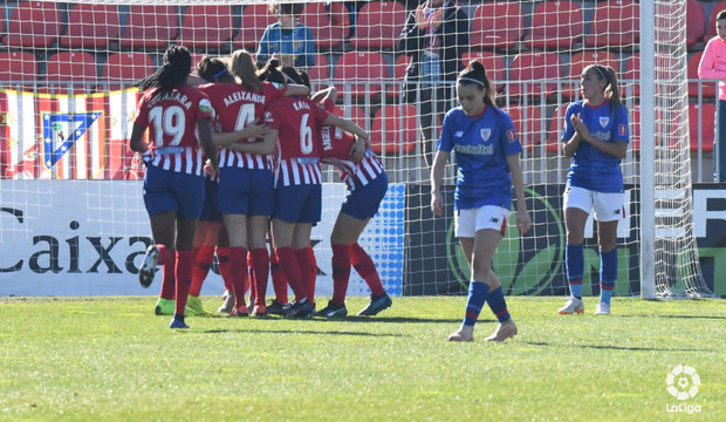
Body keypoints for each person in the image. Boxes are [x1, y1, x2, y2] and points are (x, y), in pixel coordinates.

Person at [196, 53, 309, 317]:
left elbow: (195, 85)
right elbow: (302, 88)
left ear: (231, 69)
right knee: (259, 241)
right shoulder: (266, 90)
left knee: (237, 239)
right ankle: (260, 302)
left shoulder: (217, 91)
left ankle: (240, 304)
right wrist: (272, 87)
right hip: (261, 173)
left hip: (232, 172)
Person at [430, 61, 531, 342]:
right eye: (460, 98)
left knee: (479, 266)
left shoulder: (500, 120)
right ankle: (506, 323)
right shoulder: (453, 118)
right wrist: (435, 191)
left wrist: (521, 208)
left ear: (484, 92)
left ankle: (467, 328)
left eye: (470, 98)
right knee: (481, 270)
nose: (465, 104)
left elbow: (515, 168)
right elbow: (440, 160)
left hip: (495, 199)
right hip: (465, 199)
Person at [265, 66, 368, 318]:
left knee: (281, 246)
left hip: (289, 179)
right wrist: (362, 135)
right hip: (313, 179)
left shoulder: (275, 109)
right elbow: (340, 120)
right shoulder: (308, 107)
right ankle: (307, 300)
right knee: (301, 244)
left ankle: (301, 300)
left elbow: (268, 147)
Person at [130, 45, 219, 329]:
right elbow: (206, 139)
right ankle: (178, 317)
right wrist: (213, 163)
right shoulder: (199, 98)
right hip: (189, 177)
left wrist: (154, 150)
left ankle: (155, 251)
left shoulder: (150, 97)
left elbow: (134, 143)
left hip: (157, 174)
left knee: (165, 244)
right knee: (185, 249)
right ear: (188, 69)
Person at [312, 85, 392, 318]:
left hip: (366, 182)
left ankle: (338, 304)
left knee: (339, 240)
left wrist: (359, 136)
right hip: (371, 178)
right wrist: (359, 136)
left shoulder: (313, 140)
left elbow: (332, 90)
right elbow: (333, 91)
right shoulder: (320, 119)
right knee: (347, 242)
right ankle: (378, 295)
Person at [557, 64, 628, 316]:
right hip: (579, 180)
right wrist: (578, 135)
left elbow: (621, 151)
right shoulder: (574, 110)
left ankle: (605, 302)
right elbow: (566, 152)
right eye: (581, 79)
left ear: (602, 84)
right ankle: (576, 298)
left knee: (606, 242)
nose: (582, 83)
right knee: (573, 234)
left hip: (609, 184)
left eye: (587, 79)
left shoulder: (617, 110)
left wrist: (590, 138)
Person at [397, 0, 469, 167]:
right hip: (423, 79)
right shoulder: (417, 13)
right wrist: (419, 28)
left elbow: (461, 45)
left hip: (448, 80)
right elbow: (403, 47)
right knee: (427, 133)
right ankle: (434, 177)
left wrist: (441, 26)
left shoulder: (456, 13)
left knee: (453, 130)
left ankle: (455, 175)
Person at [698, 10, 726, 182]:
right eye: (719, 27)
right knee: (721, 141)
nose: (722, 30)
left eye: (725, 27)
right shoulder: (713, 44)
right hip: (723, 99)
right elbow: (702, 72)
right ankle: (721, 179)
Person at [257, 2, 315, 69]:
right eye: (276, 10)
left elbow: (310, 61)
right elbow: (260, 57)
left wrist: (292, 62)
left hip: (297, 75)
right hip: (274, 74)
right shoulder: (270, 30)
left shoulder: (305, 31)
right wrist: (272, 59)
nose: (278, 14)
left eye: (282, 12)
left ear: (292, 11)